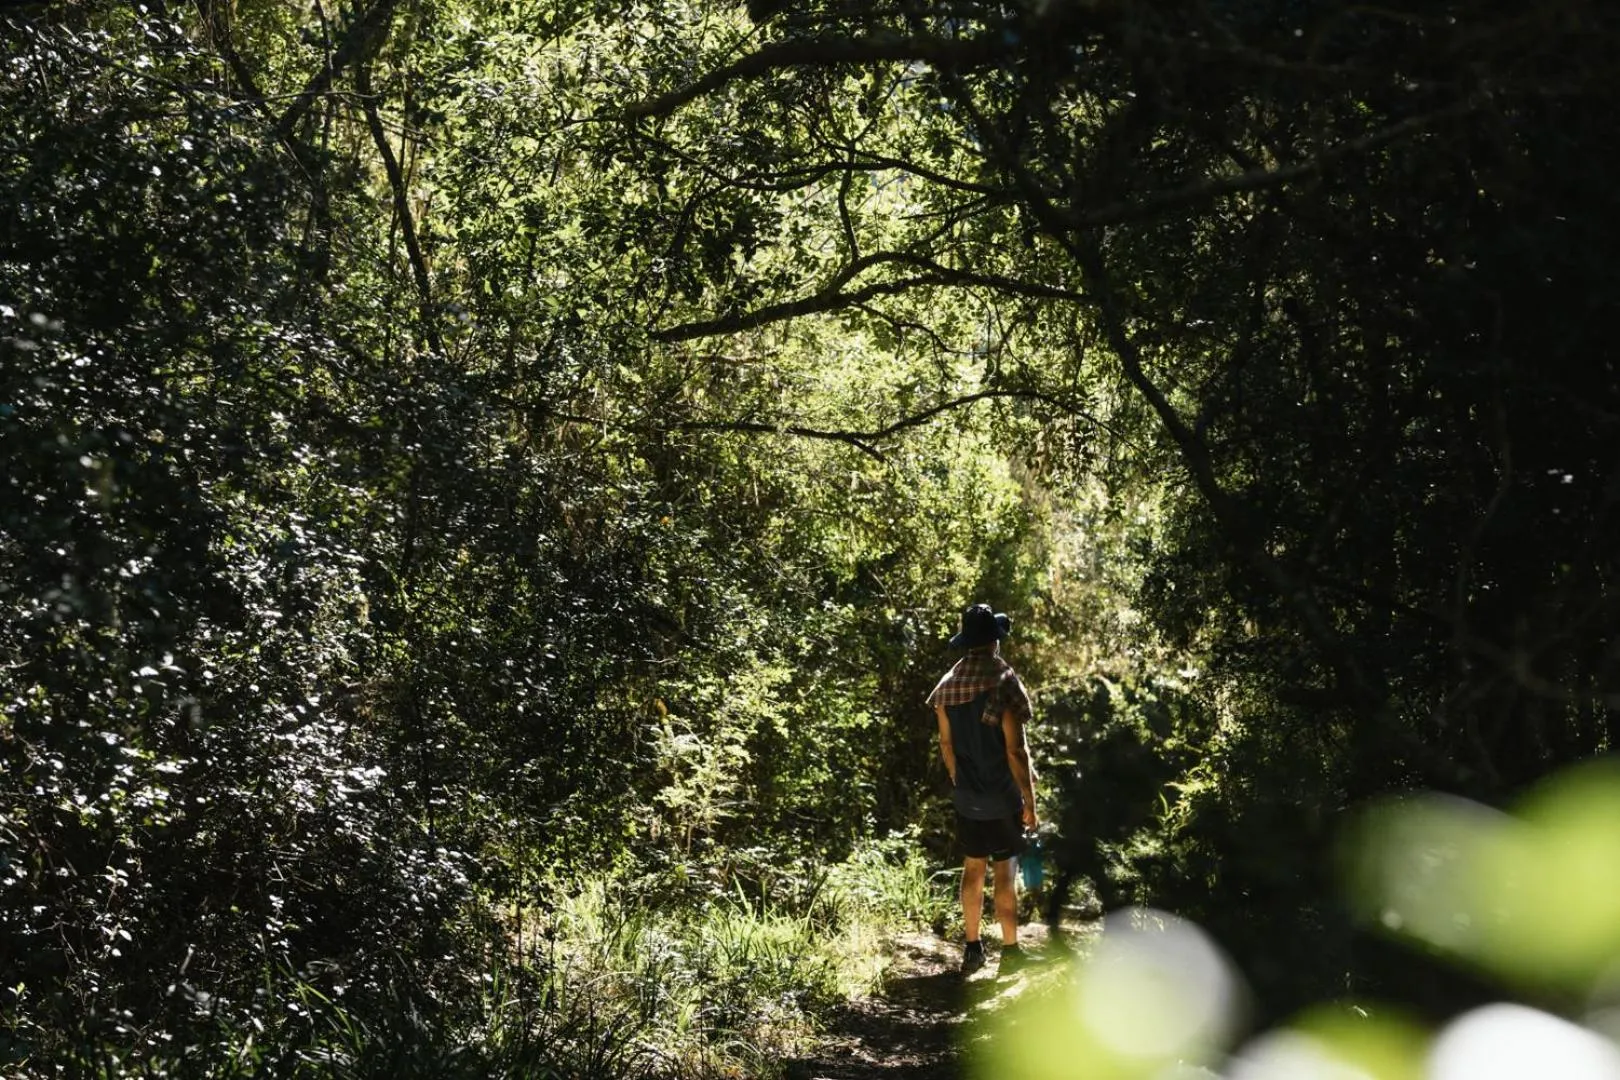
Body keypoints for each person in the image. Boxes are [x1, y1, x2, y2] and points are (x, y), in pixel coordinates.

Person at [928, 603, 1039, 975]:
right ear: (995, 641)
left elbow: (946, 745)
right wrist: (1030, 801)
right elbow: (1014, 749)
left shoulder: (946, 687)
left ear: (966, 643)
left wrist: (960, 780)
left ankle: (973, 948)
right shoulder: (1003, 681)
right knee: (1004, 871)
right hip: (1003, 796)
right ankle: (1010, 953)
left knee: (972, 868)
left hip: (968, 798)